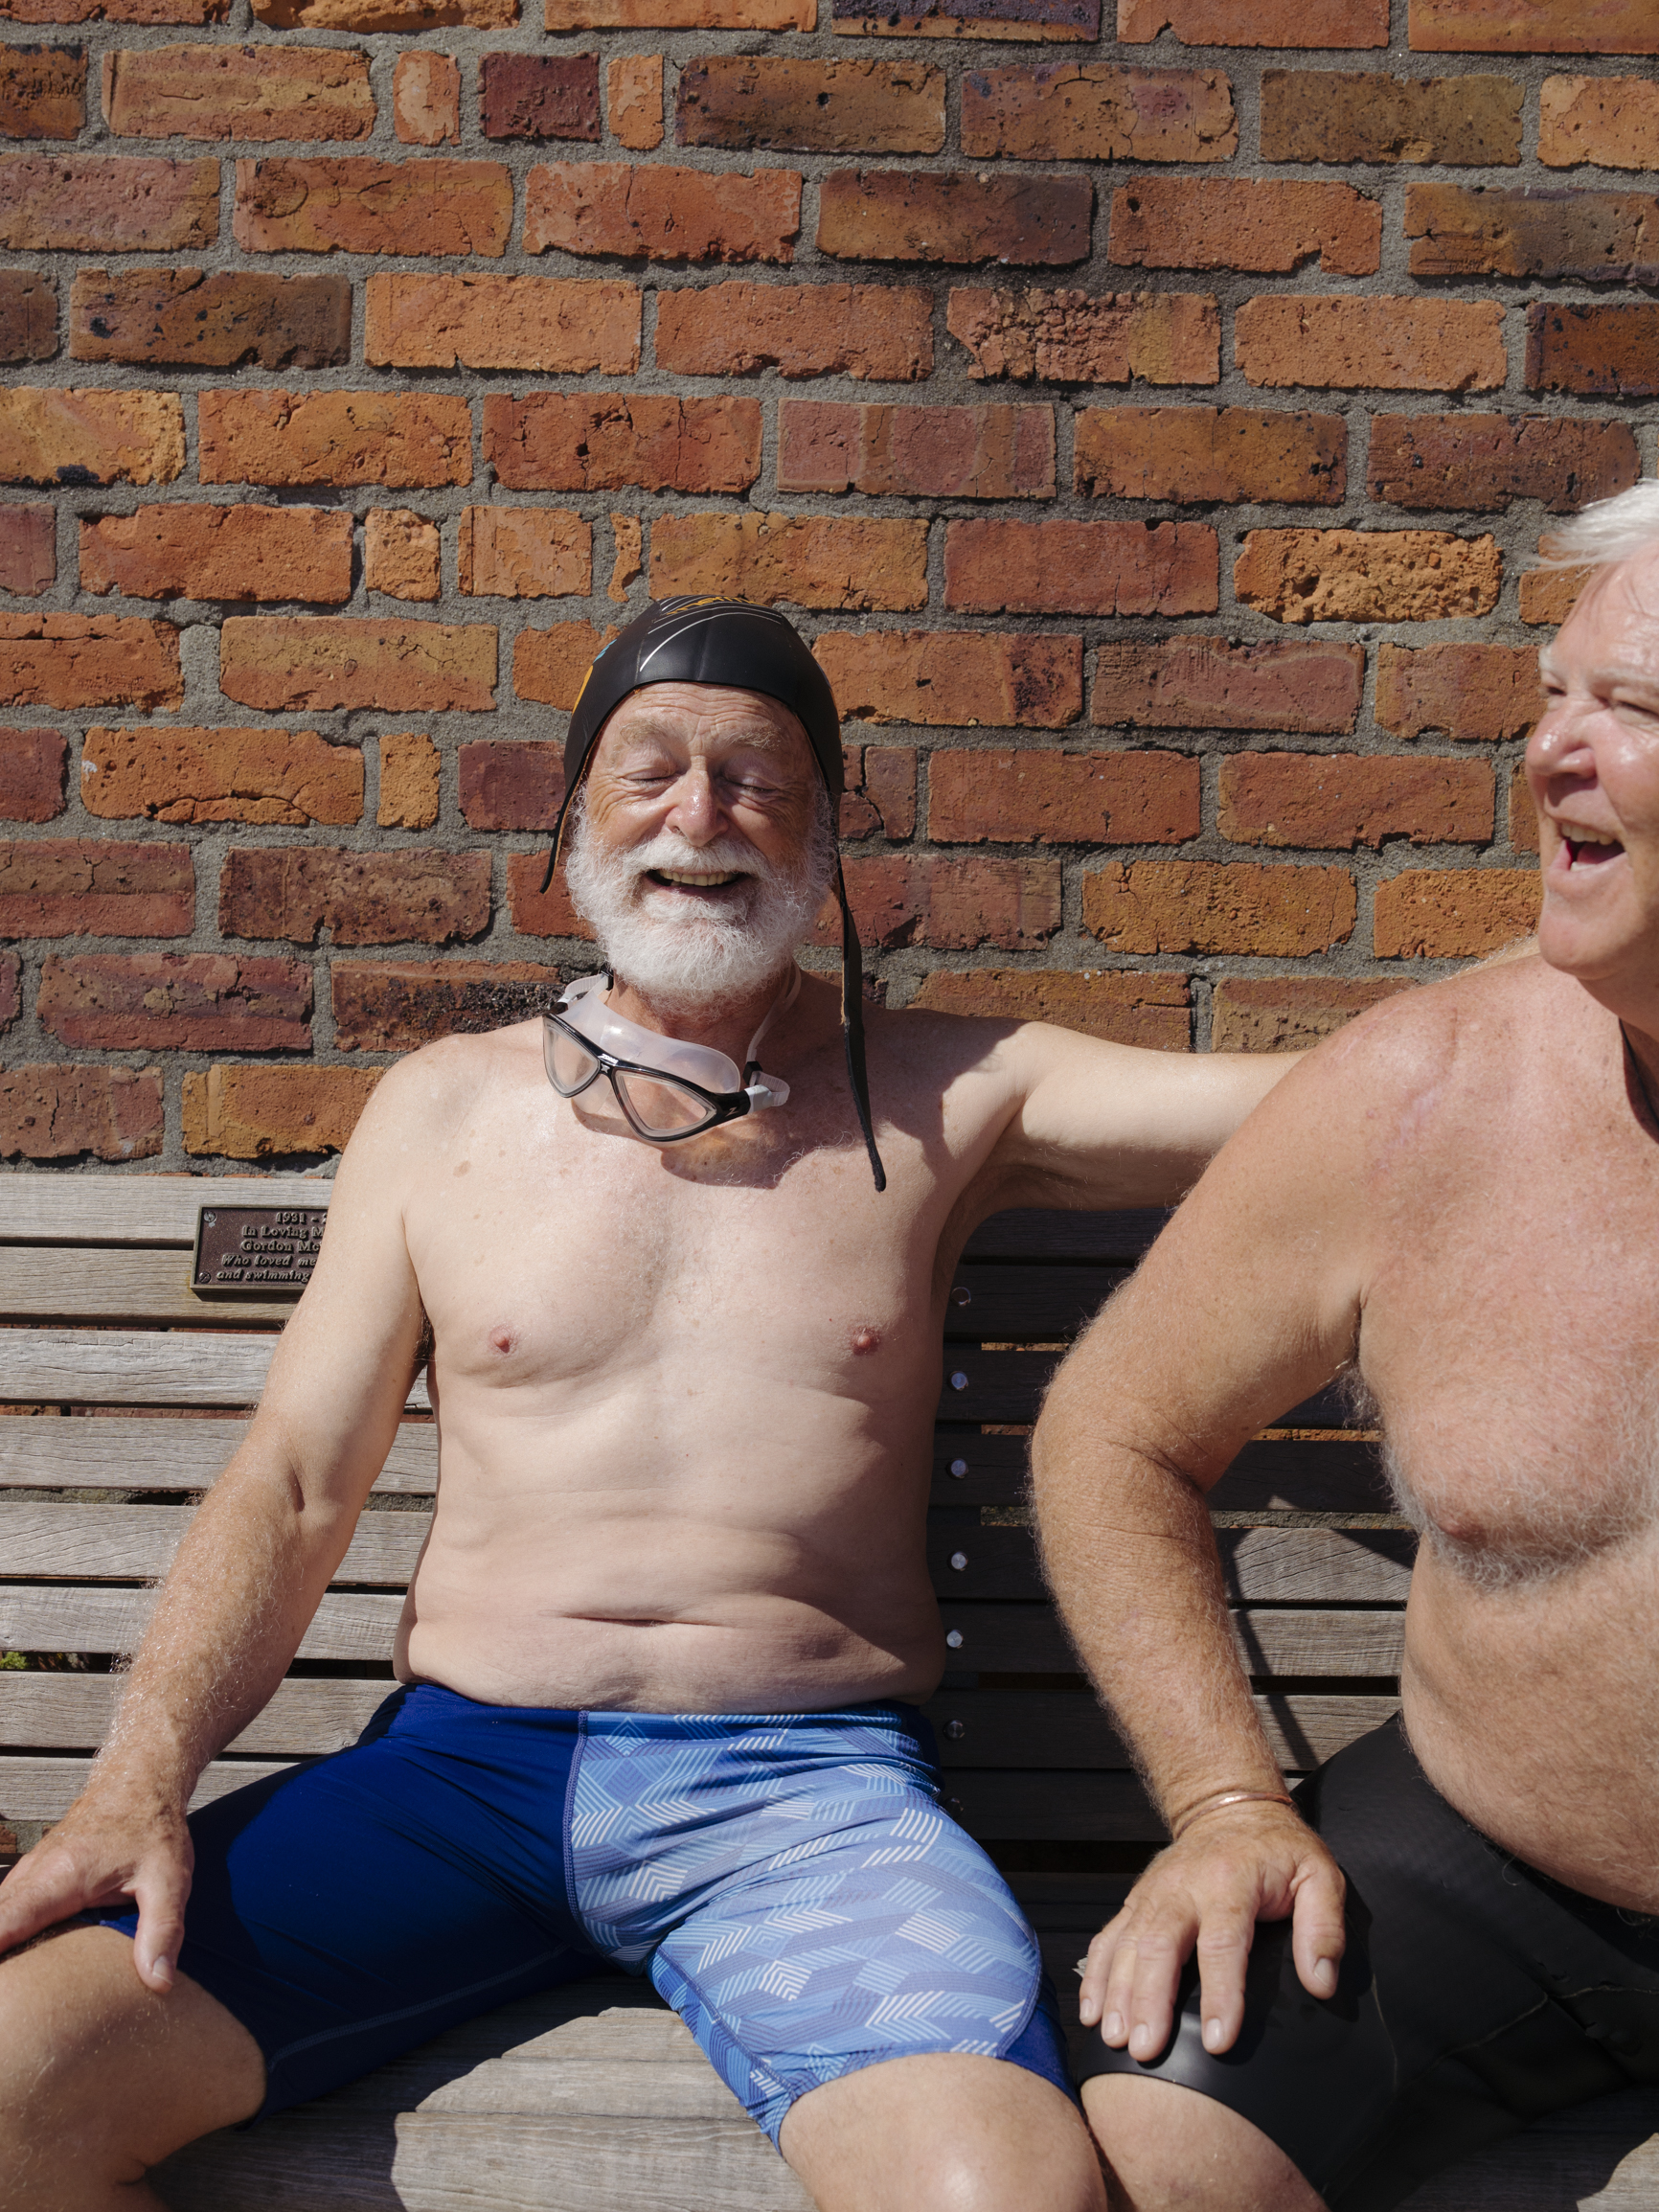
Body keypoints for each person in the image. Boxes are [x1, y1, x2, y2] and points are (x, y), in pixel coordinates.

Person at [0, 598, 1294, 2212]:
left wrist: (1592, 967)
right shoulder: (441, 1111)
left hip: (808, 1804)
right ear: (572, 820)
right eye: (652, 770)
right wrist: (139, 1780)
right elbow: (292, 1482)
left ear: (827, 834)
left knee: (1005, 2194)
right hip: (455, 1786)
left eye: (756, 778)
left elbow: (1315, 1104)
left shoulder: (958, 1093)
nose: (701, 816)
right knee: (16, 2088)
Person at [1030, 481, 1659, 2212]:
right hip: (1493, 1858)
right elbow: (1113, 1429)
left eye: (1636, 712)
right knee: (1170, 2113)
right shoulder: (1417, 1097)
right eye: (1554, 697)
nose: (1553, 756)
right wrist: (1228, 1801)